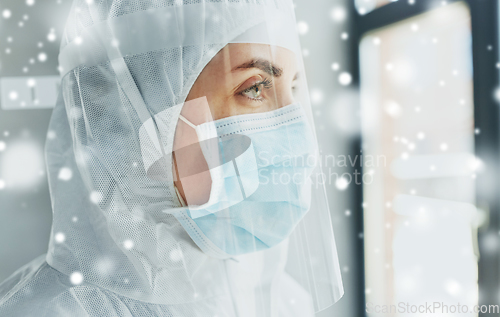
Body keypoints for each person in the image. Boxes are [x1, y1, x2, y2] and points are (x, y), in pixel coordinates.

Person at [0, 0, 343, 316]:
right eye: (255, 87)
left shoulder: (282, 299)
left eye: (294, 88)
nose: (300, 137)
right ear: (135, 110)